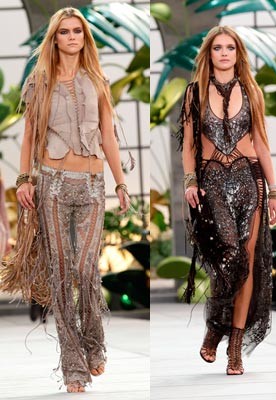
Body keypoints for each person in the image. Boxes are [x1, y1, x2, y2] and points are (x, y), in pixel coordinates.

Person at [10, 7, 130, 392]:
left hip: (93, 185)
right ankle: (73, 367)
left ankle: (94, 343)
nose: (72, 36)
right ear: (55, 38)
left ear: (84, 37)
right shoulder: (39, 82)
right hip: (53, 185)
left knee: (85, 268)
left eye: (78, 31)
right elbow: (29, 136)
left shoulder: (97, 79)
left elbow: (108, 135)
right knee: (62, 274)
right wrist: (24, 179)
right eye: (64, 32)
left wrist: (121, 183)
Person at [176, 26, 276, 376]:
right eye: (218, 48)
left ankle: (234, 348)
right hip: (212, 183)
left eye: (230, 48)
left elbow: (262, 143)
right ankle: (216, 325)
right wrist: (190, 181)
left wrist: (275, 191)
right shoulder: (193, 93)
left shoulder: (252, 91)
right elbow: (189, 145)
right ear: (209, 53)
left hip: (250, 181)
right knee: (228, 257)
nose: (224, 53)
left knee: (247, 260)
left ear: (238, 53)